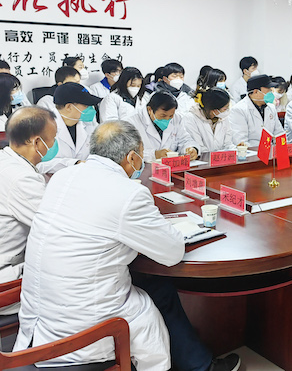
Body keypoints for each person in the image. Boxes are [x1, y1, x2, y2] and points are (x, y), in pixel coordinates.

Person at [14, 121, 240, 371]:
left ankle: (198, 364)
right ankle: (195, 366)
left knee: (155, 286)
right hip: (84, 321)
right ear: (132, 157)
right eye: (141, 155)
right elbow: (173, 252)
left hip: (41, 309)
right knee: (157, 292)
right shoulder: (128, 193)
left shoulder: (63, 177)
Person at [0, 107, 57, 315]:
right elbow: (56, 226)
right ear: (37, 142)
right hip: (7, 281)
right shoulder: (21, 179)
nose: (54, 144)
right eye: (53, 139)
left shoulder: (6, 160)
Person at [38, 82, 101, 174]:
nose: (91, 109)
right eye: (86, 106)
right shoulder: (42, 127)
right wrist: (74, 163)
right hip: (54, 180)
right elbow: (38, 165)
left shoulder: (89, 123)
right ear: (69, 107)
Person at [126, 91, 199, 162]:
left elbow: (185, 140)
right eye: (163, 115)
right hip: (143, 167)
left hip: (170, 166)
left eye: (170, 116)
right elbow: (128, 153)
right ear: (150, 110)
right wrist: (154, 154)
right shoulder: (131, 122)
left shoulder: (176, 119)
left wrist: (191, 148)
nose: (167, 119)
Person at [230, 74, 285, 147]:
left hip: (271, 150)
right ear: (256, 92)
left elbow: (279, 133)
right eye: (268, 89)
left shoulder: (271, 107)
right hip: (252, 151)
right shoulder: (239, 110)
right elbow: (241, 141)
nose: (271, 92)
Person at [183, 88, 234, 153]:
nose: (227, 110)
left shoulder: (222, 118)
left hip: (221, 158)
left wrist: (238, 149)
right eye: (225, 108)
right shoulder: (191, 119)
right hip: (202, 158)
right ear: (214, 110)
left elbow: (228, 144)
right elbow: (198, 147)